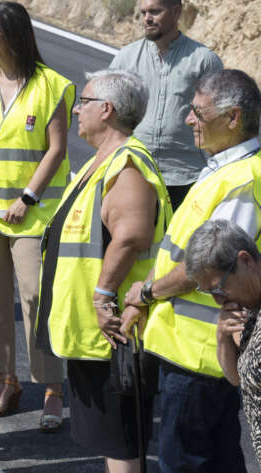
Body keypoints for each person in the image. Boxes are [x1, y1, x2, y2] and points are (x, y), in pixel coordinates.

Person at [122, 69, 261, 473]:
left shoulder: (242, 180)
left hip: (200, 355)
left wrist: (148, 293)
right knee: (217, 461)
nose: (188, 120)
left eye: (198, 112)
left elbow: (211, 265)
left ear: (233, 118)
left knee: (185, 463)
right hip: (195, 351)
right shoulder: (224, 169)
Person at [34, 70, 171, 472]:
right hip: (96, 330)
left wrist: (103, 295)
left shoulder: (126, 166)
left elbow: (131, 236)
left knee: (122, 440)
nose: (77, 109)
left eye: (84, 101)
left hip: (114, 329)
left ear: (106, 110)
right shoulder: (105, 161)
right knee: (113, 438)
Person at [0, 1, 73, 430]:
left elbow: (57, 148)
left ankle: (52, 388)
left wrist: (27, 197)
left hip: (32, 214)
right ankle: (7, 380)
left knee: (34, 298)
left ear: (15, 33)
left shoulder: (52, 85)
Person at [109, 0, 222, 208]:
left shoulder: (204, 60)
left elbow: (218, 116)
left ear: (176, 12)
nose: (147, 18)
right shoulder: (126, 57)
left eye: (155, 11)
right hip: (135, 171)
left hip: (187, 175)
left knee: (179, 243)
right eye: (143, 13)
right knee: (135, 241)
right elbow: (108, 109)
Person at [185, 219, 261, 468]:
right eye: (210, 293)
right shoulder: (249, 306)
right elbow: (237, 379)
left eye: (219, 288)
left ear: (246, 261)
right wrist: (223, 338)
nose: (218, 301)